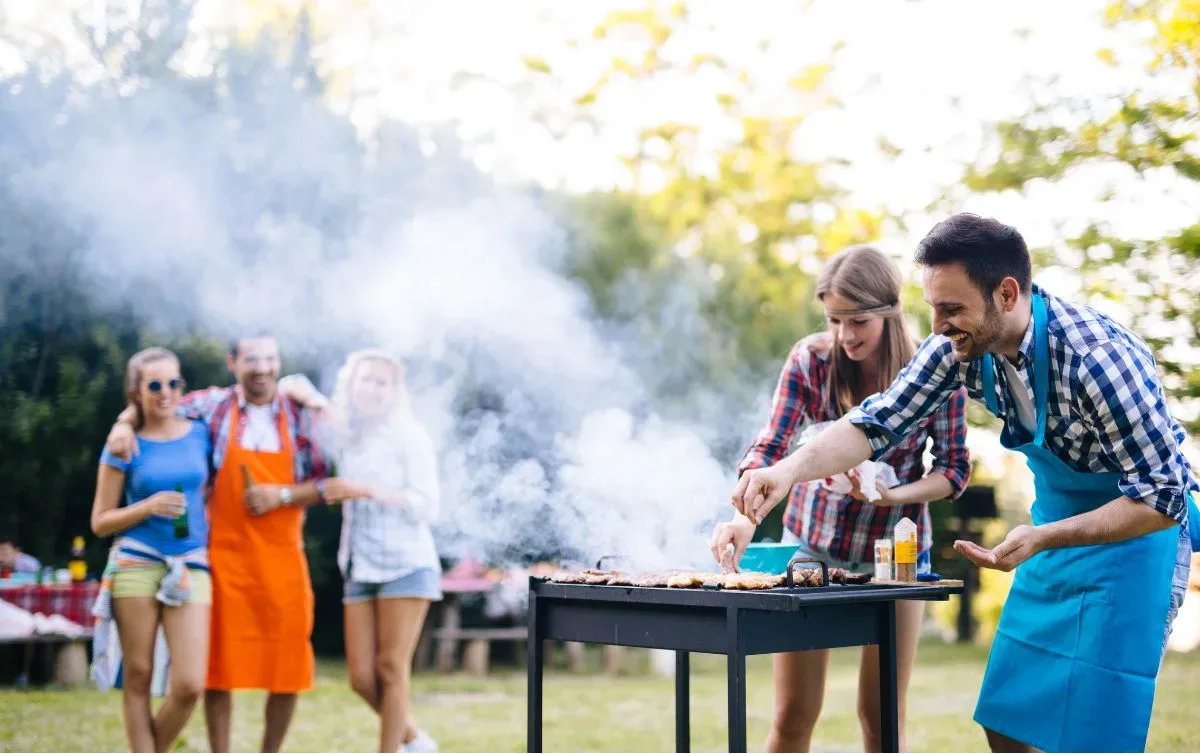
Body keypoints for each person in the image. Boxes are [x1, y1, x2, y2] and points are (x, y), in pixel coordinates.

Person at [732, 214, 1198, 753]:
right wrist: (785, 471)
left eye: (951, 309)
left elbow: (1162, 498)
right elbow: (877, 421)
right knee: (1007, 720)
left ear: (1005, 294)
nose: (936, 326)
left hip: (1132, 537)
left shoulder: (1097, 361)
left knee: (1096, 733)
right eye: (933, 307)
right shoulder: (958, 349)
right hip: (1051, 532)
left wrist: (1045, 537)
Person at [711, 245, 971, 752]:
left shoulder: (936, 368)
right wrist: (744, 516)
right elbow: (773, 444)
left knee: (881, 720)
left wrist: (893, 494)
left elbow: (954, 471)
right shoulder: (811, 360)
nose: (846, 335)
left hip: (895, 556)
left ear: (889, 312)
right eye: (835, 320)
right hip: (812, 546)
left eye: (859, 322)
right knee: (793, 716)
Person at [106, 336, 329, 753]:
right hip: (222, 554)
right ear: (232, 363)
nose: (261, 368)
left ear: (279, 362)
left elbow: (324, 482)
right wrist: (122, 424)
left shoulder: (300, 413)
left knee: (287, 667)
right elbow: (154, 399)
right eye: (251, 359)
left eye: (269, 358)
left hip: (283, 557)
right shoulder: (212, 406)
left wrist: (281, 495)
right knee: (218, 671)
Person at [294, 349, 442, 753]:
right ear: (351, 385)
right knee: (361, 678)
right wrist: (316, 402)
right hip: (360, 565)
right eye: (366, 379)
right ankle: (416, 741)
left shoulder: (410, 436)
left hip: (406, 564)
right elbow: (292, 383)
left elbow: (428, 504)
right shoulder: (347, 433)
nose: (373, 388)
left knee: (391, 668)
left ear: (395, 391)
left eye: (383, 382)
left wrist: (365, 490)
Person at [90, 347, 212, 753]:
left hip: (190, 564)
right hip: (136, 563)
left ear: (183, 386)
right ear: (136, 392)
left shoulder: (201, 432)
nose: (165, 393)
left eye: (173, 383)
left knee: (190, 683)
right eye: (154, 385)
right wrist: (147, 506)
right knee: (139, 674)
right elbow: (100, 521)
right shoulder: (124, 445)